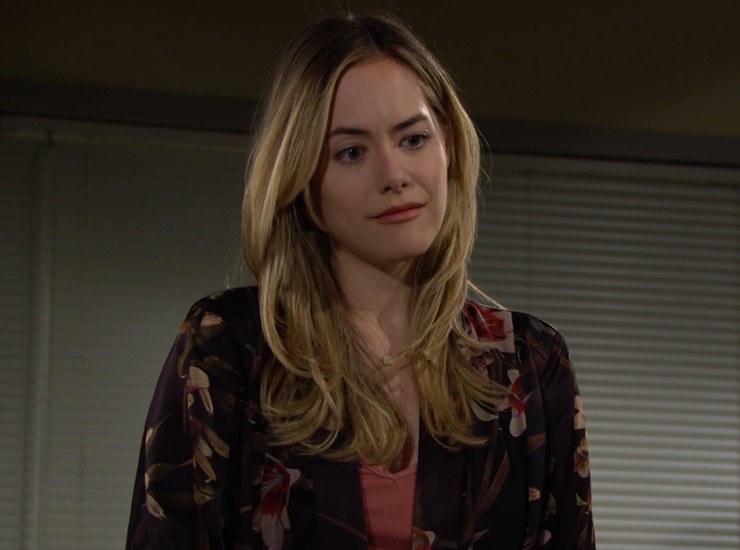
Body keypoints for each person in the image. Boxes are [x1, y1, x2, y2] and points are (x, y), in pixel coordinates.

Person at [126, 12, 595, 550]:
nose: (394, 175)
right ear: (303, 179)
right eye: (351, 152)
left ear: (449, 149)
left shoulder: (531, 363)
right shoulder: (225, 349)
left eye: (413, 139)